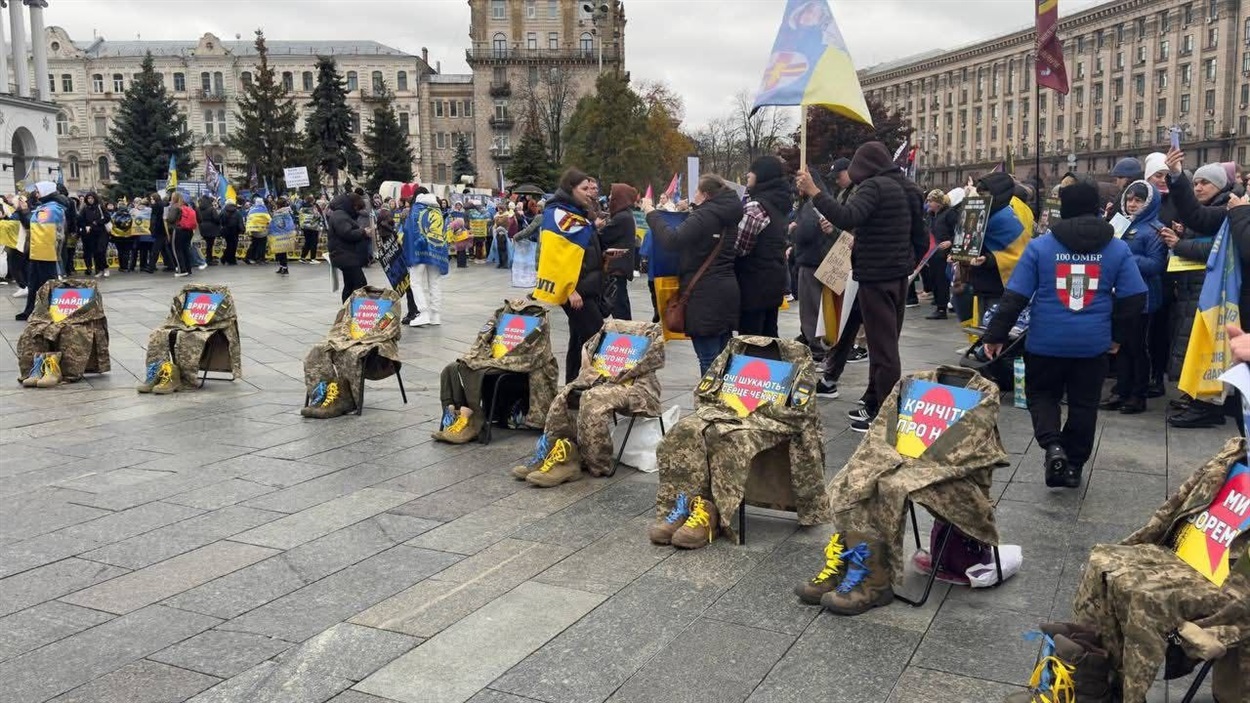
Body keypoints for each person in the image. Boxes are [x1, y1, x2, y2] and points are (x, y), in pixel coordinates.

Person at [982, 181, 1147, 489]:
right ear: (1096, 208)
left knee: (1042, 395)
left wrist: (995, 335)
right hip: (1093, 344)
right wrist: (1117, 336)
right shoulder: (1117, 248)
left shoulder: (1040, 247)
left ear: (1065, 209)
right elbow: (1135, 297)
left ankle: (1053, 444)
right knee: (1084, 404)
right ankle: (1073, 466)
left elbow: (1015, 297)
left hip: (1046, 342)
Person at [797, 141, 926, 432]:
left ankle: (884, 412)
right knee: (886, 341)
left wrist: (815, 192)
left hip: (875, 276)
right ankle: (873, 399)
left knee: (883, 349)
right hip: (897, 276)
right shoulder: (907, 188)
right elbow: (920, 235)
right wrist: (908, 265)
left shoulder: (874, 187)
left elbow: (848, 217)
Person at [642, 175, 743, 375]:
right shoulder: (728, 215)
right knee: (724, 357)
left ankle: (710, 394)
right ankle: (723, 394)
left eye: (696, 191)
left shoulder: (705, 216)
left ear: (705, 195)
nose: (693, 195)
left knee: (708, 359)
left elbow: (671, 240)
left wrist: (651, 213)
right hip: (726, 290)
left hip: (704, 295)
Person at [1099, 181, 1167, 415]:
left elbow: (1156, 265)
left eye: (1138, 200)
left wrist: (1124, 257)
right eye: (1129, 199)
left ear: (1149, 203)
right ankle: (1121, 390)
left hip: (1144, 297)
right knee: (1121, 345)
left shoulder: (1155, 229)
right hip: (1120, 295)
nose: (1132, 204)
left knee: (1138, 347)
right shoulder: (1120, 224)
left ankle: (1138, 395)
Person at [543, 168, 607, 383]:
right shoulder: (558, 213)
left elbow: (580, 249)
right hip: (576, 291)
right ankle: (594, 387)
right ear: (571, 188)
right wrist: (569, 289)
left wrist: (603, 255)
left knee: (579, 341)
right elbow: (553, 256)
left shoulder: (576, 211)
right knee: (597, 339)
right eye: (584, 188)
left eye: (591, 188)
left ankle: (572, 388)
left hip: (587, 286)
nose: (590, 192)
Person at [736, 156, 792, 337]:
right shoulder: (779, 204)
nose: (748, 174)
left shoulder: (756, 207)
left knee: (750, 339)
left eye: (752, 171)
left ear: (762, 175)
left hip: (753, 283)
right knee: (769, 336)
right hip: (773, 281)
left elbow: (740, 247)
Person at [791, 168, 836, 356]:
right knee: (821, 308)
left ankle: (817, 348)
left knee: (811, 309)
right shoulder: (825, 198)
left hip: (812, 261)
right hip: (822, 259)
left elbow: (805, 233)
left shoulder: (812, 204)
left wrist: (793, 230)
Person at [17, 182, 67, 321]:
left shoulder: (51, 209)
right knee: (33, 284)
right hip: (38, 251)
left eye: (38, 191)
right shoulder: (45, 207)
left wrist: (25, 211)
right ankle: (30, 310)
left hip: (46, 252)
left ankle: (55, 311)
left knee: (48, 283)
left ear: (46, 192)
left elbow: (38, 225)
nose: (36, 194)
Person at [402, 189, 448, 328]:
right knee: (434, 282)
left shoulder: (416, 209)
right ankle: (435, 314)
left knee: (416, 282)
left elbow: (409, 230)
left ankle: (423, 313)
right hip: (436, 250)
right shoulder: (437, 209)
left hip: (419, 251)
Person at [600, 183, 638, 320]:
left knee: (619, 309)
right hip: (618, 268)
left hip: (616, 268)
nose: (609, 197)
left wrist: (594, 227)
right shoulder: (625, 215)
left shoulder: (622, 217)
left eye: (612, 194)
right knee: (620, 306)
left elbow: (602, 236)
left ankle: (625, 332)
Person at [327, 192, 370, 302]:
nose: (357, 211)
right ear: (352, 204)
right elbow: (347, 233)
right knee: (360, 283)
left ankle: (347, 309)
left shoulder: (340, 214)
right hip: (345, 255)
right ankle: (354, 308)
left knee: (350, 284)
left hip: (345, 255)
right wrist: (363, 232)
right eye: (356, 208)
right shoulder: (340, 215)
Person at [165, 191, 196, 278]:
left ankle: (181, 270)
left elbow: (171, 219)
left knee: (177, 251)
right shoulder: (187, 207)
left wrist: (166, 218)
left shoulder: (175, 207)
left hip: (178, 230)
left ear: (173, 198)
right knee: (185, 250)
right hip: (188, 231)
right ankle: (188, 269)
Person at [79, 193, 109, 278]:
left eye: (92, 198)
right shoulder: (85, 209)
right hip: (91, 233)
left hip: (102, 232)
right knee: (95, 252)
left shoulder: (100, 207)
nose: (90, 200)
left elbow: (107, 217)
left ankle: (105, 267)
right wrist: (85, 226)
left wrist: (97, 222)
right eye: (88, 198)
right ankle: (99, 270)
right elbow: (81, 220)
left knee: (101, 250)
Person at [244, 197, 270, 265]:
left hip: (254, 231)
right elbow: (269, 219)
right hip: (262, 231)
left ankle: (248, 257)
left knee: (254, 244)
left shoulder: (252, 209)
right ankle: (260, 259)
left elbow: (248, 219)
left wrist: (248, 229)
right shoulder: (264, 209)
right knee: (262, 245)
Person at [149, 192, 169, 273]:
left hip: (158, 229)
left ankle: (151, 267)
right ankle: (170, 264)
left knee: (155, 249)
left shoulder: (155, 206)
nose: (151, 201)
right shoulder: (164, 205)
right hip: (165, 229)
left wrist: (151, 228)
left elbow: (153, 219)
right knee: (164, 249)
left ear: (155, 199)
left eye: (152, 199)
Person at [298, 195, 323, 263]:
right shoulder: (313, 208)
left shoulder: (302, 208)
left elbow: (300, 217)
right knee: (314, 242)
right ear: (312, 201)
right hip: (313, 227)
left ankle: (302, 257)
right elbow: (317, 216)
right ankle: (313, 258)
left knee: (307, 242)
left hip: (305, 227)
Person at [197, 195, 221, 265]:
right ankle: (209, 259)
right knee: (210, 245)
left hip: (202, 228)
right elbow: (216, 219)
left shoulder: (199, 209)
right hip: (211, 229)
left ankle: (207, 258)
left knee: (206, 244)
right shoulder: (211, 209)